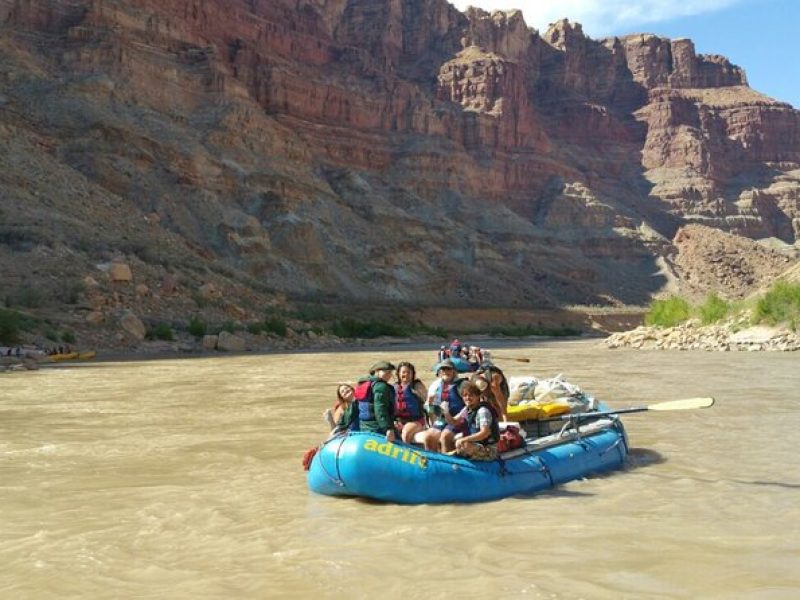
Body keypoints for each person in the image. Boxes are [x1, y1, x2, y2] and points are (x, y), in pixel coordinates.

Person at [447, 382, 500, 461]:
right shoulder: (467, 409)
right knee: (454, 439)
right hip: (477, 444)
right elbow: (454, 422)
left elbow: (484, 433)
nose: (467, 398)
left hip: (488, 448)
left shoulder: (483, 411)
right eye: (465, 395)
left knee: (464, 444)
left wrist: (465, 439)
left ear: (478, 396)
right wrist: (445, 412)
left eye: (471, 395)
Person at [393, 362, 438, 451]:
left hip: (416, 421)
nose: (406, 375)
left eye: (409, 372)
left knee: (406, 433)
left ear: (413, 374)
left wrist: (434, 423)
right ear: (398, 373)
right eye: (403, 372)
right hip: (399, 420)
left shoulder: (417, 386)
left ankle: (407, 456)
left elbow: (428, 403)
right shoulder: (394, 387)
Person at [427, 358, 469, 452]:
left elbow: (470, 402)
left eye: (449, 369)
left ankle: (448, 461)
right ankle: (432, 462)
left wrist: (459, 417)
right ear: (440, 372)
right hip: (442, 419)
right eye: (443, 369)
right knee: (428, 436)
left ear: (454, 371)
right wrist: (429, 404)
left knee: (445, 437)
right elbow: (432, 408)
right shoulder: (437, 386)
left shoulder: (462, 385)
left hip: (458, 419)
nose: (446, 372)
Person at [352, 361, 397, 441]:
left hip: (364, 427)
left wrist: (341, 426)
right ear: (376, 372)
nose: (389, 375)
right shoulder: (381, 386)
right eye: (386, 372)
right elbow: (380, 409)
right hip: (378, 428)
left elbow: (353, 407)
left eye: (390, 372)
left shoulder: (362, 384)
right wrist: (388, 428)